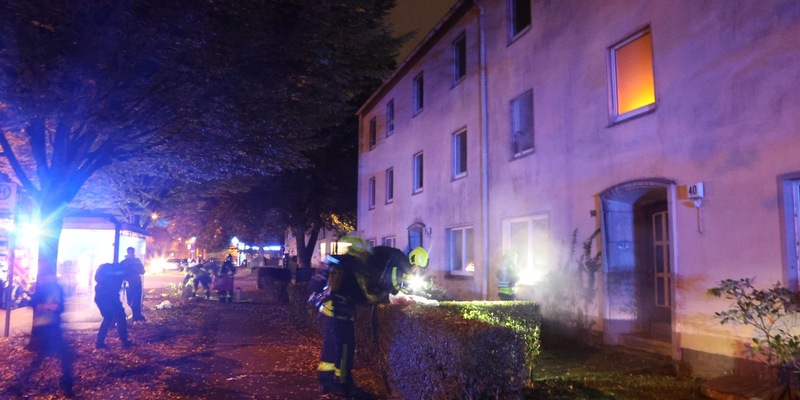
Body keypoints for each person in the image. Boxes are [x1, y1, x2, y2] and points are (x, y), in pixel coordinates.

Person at [309, 236, 429, 397]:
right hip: (339, 313)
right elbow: (364, 295)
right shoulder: (352, 267)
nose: (367, 256)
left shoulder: (341, 263)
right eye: (365, 252)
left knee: (331, 347)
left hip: (329, 311)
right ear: (358, 251)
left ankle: (326, 381)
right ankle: (343, 385)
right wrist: (386, 297)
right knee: (345, 349)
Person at [20, 275, 74, 398]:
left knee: (59, 355)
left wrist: (53, 308)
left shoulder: (57, 289)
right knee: (56, 355)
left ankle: (67, 384)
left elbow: (60, 307)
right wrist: (48, 307)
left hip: (52, 326)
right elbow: (34, 303)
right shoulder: (42, 289)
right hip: (44, 326)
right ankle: (67, 384)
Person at [94, 262, 134, 349]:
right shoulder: (119, 272)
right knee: (116, 317)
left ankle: (100, 342)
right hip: (109, 297)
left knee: (111, 317)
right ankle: (123, 340)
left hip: (102, 297)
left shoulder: (109, 269)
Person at [120, 247, 146, 322]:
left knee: (135, 300)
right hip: (131, 283)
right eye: (130, 252)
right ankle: (136, 315)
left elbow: (142, 271)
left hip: (135, 283)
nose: (131, 253)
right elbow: (120, 272)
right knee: (132, 300)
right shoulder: (125, 262)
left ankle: (137, 315)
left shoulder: (135, 261)